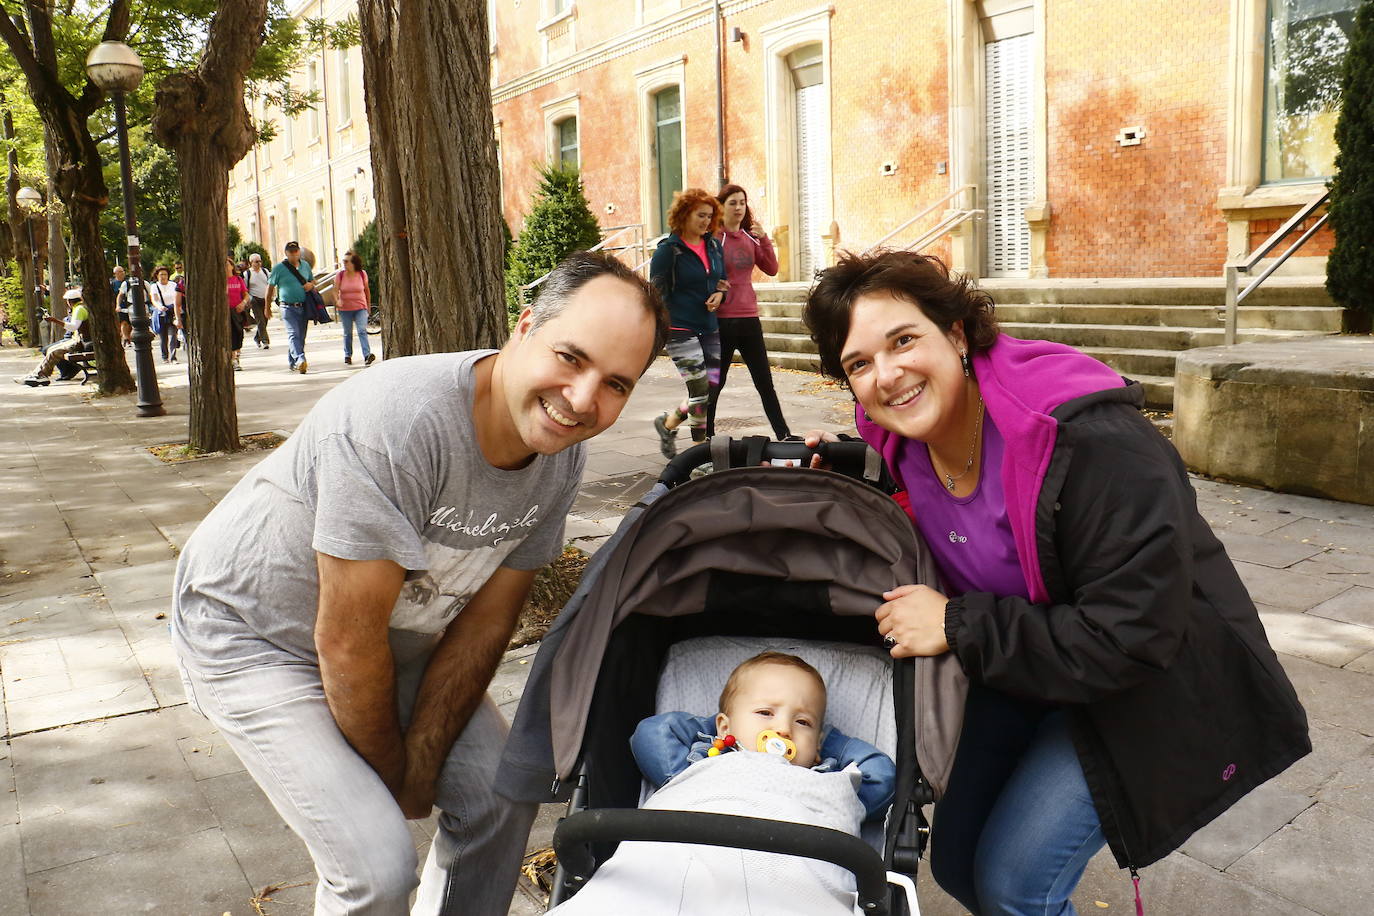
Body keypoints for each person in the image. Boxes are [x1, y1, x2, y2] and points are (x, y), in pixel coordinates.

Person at [801, 250, 1310, 916]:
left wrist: (955, 623)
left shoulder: (1094, 443)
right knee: (956, 863)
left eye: (902, 341)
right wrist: (837, 464)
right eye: (859, 364)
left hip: (1141, 685)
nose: (887, 376)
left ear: (955, 334)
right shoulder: (902, 439)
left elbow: (1131, 635)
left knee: (1018, 885)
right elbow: (905, 486)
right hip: (1025, 666)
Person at [171, 251, 669, 916]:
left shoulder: (560, 458)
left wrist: (425, 764)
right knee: (376, 866)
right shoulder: (401, 422)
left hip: (393, 635)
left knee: (504, 794)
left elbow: (485, 627)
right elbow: (347, 645)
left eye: (617, 384)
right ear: (524, 326)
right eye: (570, 358)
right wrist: (396, 780)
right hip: (252, 632)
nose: (582, 401)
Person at [552, 652, 896, 915]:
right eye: (765, 713)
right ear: (722, 726)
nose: (783, 729)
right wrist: (725, 735)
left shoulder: (828, 775)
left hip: (792, 872)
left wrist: (821, 745)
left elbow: (881, 775)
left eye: (802, 721)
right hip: (680, 855)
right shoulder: (700, 760)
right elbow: (652, 733)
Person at [707, 184, 790, 441]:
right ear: (721, 207)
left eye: (742, 202)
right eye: (733, 202)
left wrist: (765, 238)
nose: (739, 207)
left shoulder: (750, 238)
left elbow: (773, 268)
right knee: (715, 383)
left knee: (764, 381)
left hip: (749, 318)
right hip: (721, 322)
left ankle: (784, 434)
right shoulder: (713, 239)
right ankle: (706, 435)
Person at [649, 188, 727, 459]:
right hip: (680, 328)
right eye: (700, 215)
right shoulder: (669, 251)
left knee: (709, 390)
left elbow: (722, 280)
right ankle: (699, 457)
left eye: (709, 216)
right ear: (684, 215)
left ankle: (668, 424)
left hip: (709, 326)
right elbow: (655, 293)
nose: (706, 221)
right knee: (699, 390)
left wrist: (720, 294)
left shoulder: (714, 246)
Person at [14, 288, 90, 386]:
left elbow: (73, 327)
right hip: (79, 338)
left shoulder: (79, 309)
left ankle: (41, 375)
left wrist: (55, 320)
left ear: (69, 301)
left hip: (80, 340)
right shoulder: (79, 308)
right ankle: (38, 374)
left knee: (54, 352)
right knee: (51, 349)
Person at [266, 241, 314, 373]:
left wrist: (311, 285)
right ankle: (300, 359)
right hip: (287, 307)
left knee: (301, 336)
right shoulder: (279, 268)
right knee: (293, 334)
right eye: (291, 252)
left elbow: (312, 280)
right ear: (286, 253)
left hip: (303, 306)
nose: (294, 254)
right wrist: (267, 307)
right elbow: (270, 288)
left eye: (296, 251)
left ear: (299, 252)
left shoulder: (305, 266)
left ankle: (293, 362)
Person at [336, 250, 375, 366]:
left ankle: (367, 355)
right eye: (344, 261)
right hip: (345, 308)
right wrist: (336, 300)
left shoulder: (362, 274)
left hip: (360, 307)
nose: (344, 263)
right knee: (348, 332)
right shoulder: (340, 275)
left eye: (347, 261)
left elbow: (366, 290)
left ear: (354, 263)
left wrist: (368, 306)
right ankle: (348, 355)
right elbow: (335, 290)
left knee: (362, 330)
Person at [147, 265, 180, 362]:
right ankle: (164, 356)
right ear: (157, 275)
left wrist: (175, 306)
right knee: (163, 337)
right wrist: (159, 307)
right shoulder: (154, 286)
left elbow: (176, 298)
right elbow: (154, 299)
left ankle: (173, 357)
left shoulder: (173, 285)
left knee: (172, 335)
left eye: (165, 274)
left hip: (171, 312)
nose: (163, 276)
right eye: (161, 274)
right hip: (161, 314)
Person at [226, 256, 249, 371]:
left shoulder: (238, 279)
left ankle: (235, 355)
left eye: (227, 264)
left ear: (232, 266)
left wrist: (243, 303)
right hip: (225, 313)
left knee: (238, 334)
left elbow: (246, 294)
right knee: (230, 335)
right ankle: (233, 359)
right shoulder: (220, 281)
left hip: (237, 311)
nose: (225, 267)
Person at [244, 252, 272, 349]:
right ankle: (265, 341)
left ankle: (257, 337)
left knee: (265, 319)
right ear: (251, 262)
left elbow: (271, 284)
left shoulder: (265, 272)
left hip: (265, 299)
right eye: (256, 262)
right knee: (260, 320)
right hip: (254, 300)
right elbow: (245, 289)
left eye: (260, 261)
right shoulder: (247, 273)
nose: (258, 263)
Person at [111, 265, 131, 347]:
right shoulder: (113, 284)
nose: (121, 273)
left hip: (129, 305)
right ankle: (126, 339)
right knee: (123, 322)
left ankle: (128, 338)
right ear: (115, 274)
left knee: (129, 324)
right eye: (119, 272)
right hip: (120, 307)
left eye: (122, 271)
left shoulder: (128, 282)